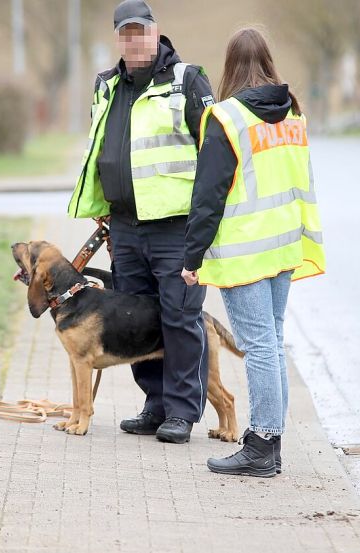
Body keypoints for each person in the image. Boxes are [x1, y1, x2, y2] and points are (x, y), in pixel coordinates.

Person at [67, 0, 216, 443]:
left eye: (142, 31)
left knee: (180, 317)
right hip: (125, 227)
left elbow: (214, 152)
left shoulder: (187, 80)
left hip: (175, 226)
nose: (135, 40)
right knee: (134, 318)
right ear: (119, 38)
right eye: (126, 33)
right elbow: (100, 147)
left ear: (156, 32)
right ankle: (155, 405)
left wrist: (207, 222)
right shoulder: (106, 85)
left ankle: (183, 413)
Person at [182, 27, 326, 476]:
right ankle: (271, 443)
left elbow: (208, 196)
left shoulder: (227, 117)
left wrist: (192, 257)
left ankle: (261, 444)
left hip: (246, 252)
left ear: (230, 66)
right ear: (268, 61)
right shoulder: (291, 113)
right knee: (272, 345)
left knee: (260, 346)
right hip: (283, 245)